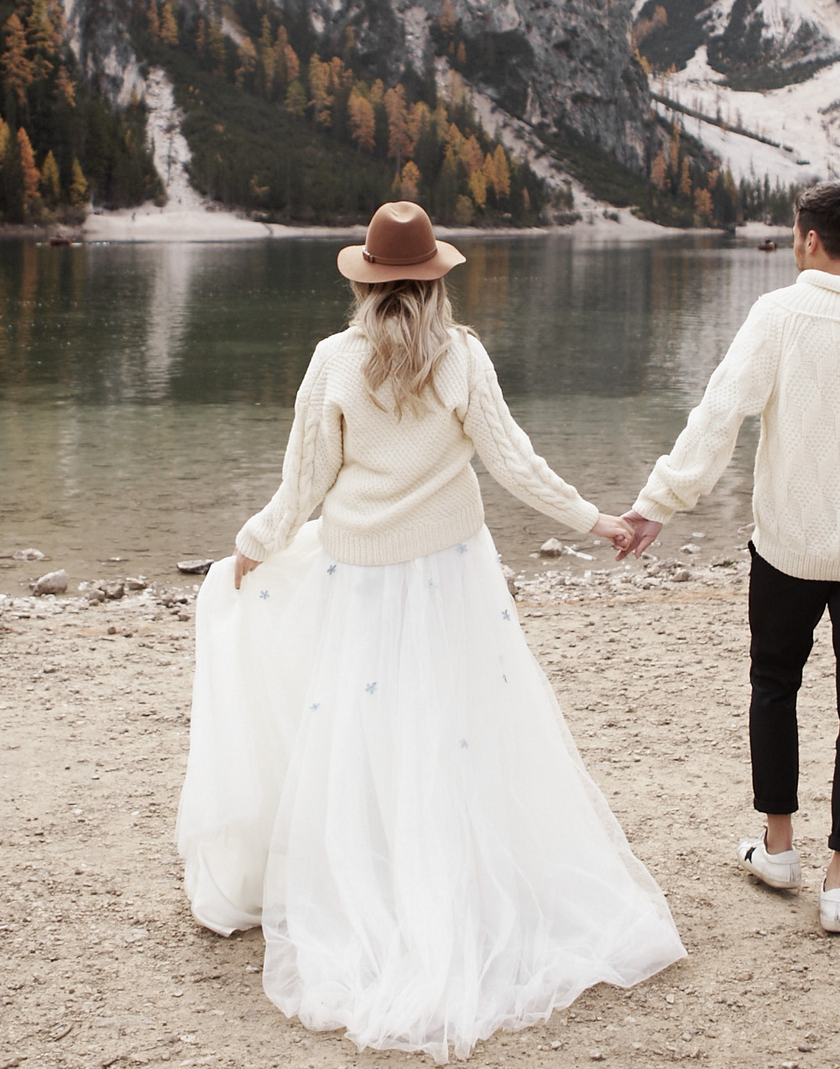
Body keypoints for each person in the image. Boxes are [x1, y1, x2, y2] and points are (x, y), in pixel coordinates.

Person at [178, 201, 683, 1060]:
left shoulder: (334, 361)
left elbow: (302, 483)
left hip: (361, 578)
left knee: (364, 733)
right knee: (454, 729)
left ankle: (375, 880)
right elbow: (515, 462)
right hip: (453, 574)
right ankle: (453, 887)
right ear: (436, 279)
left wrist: (249, 550)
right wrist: (597, 519)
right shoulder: (461, 357)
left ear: (366, 280)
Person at [614, 181, 840, 935]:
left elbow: (720, 414)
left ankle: (778, 848)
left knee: (775, 685)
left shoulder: (779, 314)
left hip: (787, 547)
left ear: (809, 239)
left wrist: (658, 503)